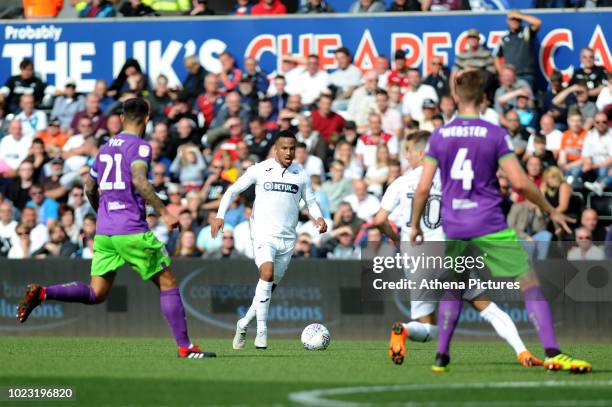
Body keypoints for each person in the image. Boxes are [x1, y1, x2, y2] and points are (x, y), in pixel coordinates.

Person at [410, 70, 591, 373]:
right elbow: (519, 183)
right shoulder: (494, 133)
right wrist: (551, 209)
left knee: (454, 288)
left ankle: (441, 357)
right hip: (489, 223)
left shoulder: (440, 136)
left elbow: (424, 188)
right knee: (528, 282)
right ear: (483, 100)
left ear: (456, 98)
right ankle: (552, 352)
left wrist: (415, 225)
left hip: (454, 226)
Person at [17, 97, 216, 359]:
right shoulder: (140, 146)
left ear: (122, 118)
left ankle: (43, 293)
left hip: (106, 232)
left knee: (96, 293)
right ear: (146, 119)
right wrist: (166, 212)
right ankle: (185, 347)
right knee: (168, 281)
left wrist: (103, 211)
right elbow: (140, 181)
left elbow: (89, 187)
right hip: (131, 229)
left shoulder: (105, 148)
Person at [374, 130, 538, 367]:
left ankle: (405, 329)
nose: (406, 157)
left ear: (421, 152)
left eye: (408, 152)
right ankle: (522, 352)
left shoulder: (399, 183)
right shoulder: (452, 179)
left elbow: (379, 220)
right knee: (485, 305)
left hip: (415, 256)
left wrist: (396, 240)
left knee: (428, 328)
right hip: (447, 251)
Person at [212, 131, 327, 350]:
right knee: (267, 273)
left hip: (288, 239)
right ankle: (262, 331)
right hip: (263, 234)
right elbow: (232, 190)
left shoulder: (300, 173)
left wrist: (318, 216)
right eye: (284, 148)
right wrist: (220, 216)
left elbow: (310, 201)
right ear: (276, 149)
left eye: (292, 148)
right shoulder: (260, 169)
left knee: (268, 287)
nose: (289, 152)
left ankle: (244, 323)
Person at [494, 10, 542, 88]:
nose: (515, 22)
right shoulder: (504, 38)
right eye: (512, 19)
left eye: (517, 20)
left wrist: (519, 15)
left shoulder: (526, 32)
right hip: (510, 76)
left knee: (525, 98)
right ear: (508, 21)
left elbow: (538, 23)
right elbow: (496, 57)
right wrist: (502, 73)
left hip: (525, 74)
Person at [583, 112, 612, 196]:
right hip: (594, 167)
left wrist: (595, 166)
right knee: (579, 170)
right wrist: (588, 163)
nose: (601, 124)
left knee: (604, 169)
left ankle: (599, 185)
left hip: (606, 166)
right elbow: (585, 154)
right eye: (598, 122)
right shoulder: (590, 135)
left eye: (604, 122)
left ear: (608, 122)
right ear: (594, 123)